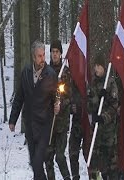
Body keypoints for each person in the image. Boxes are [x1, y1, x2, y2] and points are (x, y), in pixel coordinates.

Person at [8, 40, 59, 180]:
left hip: (44, 125)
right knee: (34, 164)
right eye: (39, 56)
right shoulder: (26, 72)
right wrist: (13, 120)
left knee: (37, 162)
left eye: (43, 55)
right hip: (30, 124)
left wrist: (57, 104)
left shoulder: (51, 74)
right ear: (33, 57)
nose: (42, 59)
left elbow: (57, 96)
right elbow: (19, 97)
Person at [87, 52, 119, 180]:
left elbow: (114, 106)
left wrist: (104, 117)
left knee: (110, 165)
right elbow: (89, 105)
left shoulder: (110, 83)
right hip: (96, 131)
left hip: (108, 132)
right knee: (94, 163)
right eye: (95, 66)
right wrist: (97, 98)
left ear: (104, 67)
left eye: (99, 66)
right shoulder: (93, 84)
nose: (96, 69)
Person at [45, 39, 71, 180]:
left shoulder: (65, 72)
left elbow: (69, 96)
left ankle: (67, 177)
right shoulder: (45, 71)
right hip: (49, 123)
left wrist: (60, 104)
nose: (54, 54)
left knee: (60, 156)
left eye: (57, 52)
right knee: (47, 157)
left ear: (61, 54)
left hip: (61, 123)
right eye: (52, 52)